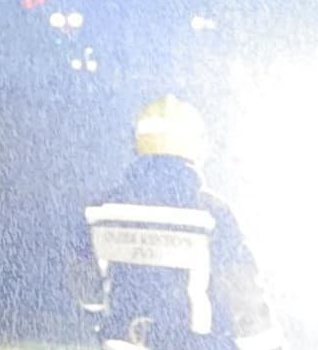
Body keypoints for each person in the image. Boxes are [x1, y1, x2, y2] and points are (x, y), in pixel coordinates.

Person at [73, 96, 283, 350]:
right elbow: (243, 297)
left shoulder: (101, 210)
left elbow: (86, 291)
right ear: (195, 145)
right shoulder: (213, 213)